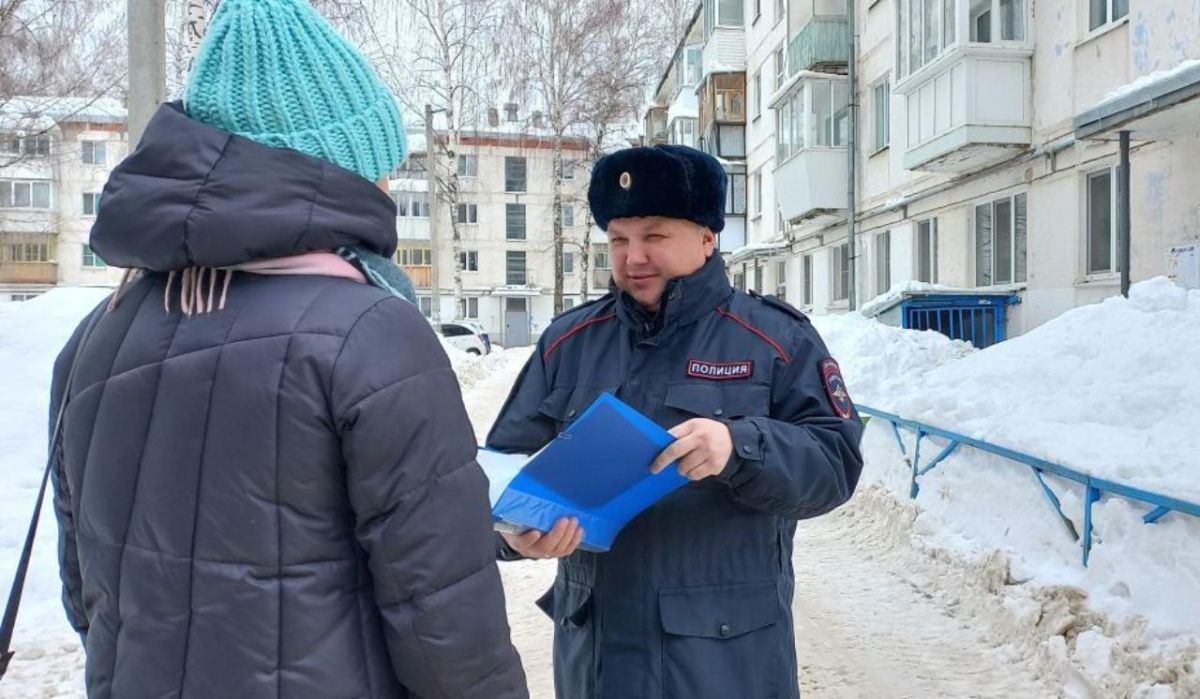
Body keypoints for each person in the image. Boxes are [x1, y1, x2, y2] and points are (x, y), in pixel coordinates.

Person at [49, 0, 526, 696]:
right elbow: (446, 626)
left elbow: (85, 591)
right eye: (380, 165)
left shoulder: (95, 336)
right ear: (336, 166)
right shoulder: (371, 332)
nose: (389, 185)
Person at [487, 144, 864, 698]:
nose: (633, 256)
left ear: (708, 238)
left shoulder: (776, 340)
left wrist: (740, 447)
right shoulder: (568, 344)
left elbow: (835, 466)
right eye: (619, 238)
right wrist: (514, 535)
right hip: (598, 662)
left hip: (725, 662)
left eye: (654, 235)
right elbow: (495, 474)